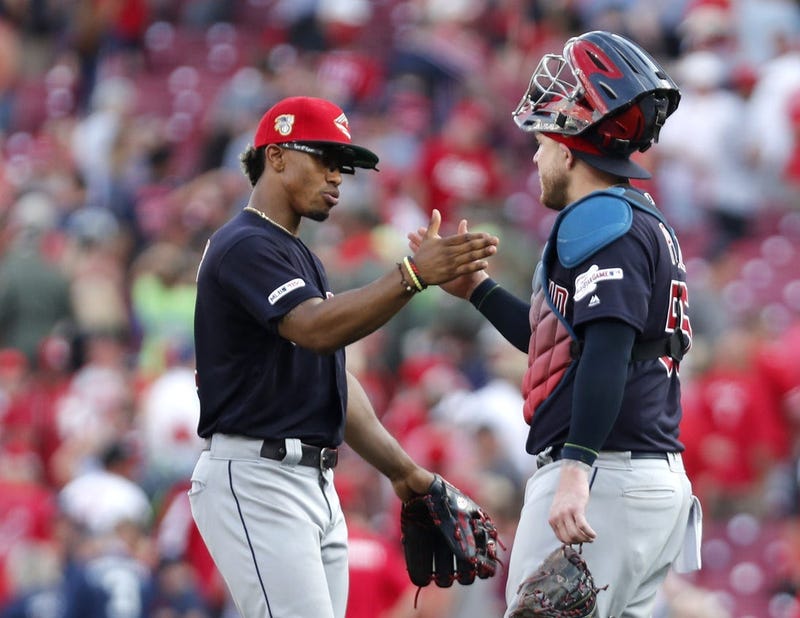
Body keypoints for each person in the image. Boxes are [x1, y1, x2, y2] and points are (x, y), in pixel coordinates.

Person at [411, 32, 702, 617]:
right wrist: (476, 289)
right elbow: (559, 345)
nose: (537, 158)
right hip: (638, 475)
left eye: (543, 145)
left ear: (569, 151)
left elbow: (609, 349)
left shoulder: (598, 217)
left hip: (608, 476)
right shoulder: (635, 218)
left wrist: (576, 468)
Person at [187, 95, 498, 618]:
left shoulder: (297, 253)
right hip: (258, 474)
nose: (337, 177)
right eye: (324, 159)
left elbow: (331, 377)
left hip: (310, 479)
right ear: (278, 155)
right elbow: (314, 330)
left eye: (343, 167)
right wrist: (412, 276)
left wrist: (405, 473)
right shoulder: (244, 243)